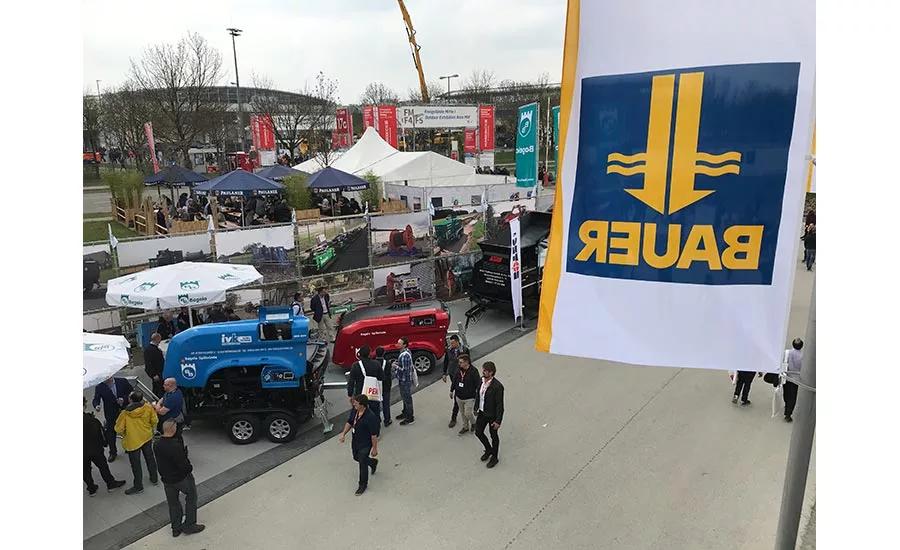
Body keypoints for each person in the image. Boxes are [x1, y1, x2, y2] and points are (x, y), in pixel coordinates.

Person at [154, 420, 205, 537]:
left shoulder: (156, 444)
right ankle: (190, 524)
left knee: (173, 503)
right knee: (191, 497)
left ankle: (176, 528)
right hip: (181, 478)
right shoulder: (175, 446)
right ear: (173, 429)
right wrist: (189, 467)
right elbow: (183, 465)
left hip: (167, 479)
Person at [116, 391, 159, 495]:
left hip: (133, 441)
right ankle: (154, 478)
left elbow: (119, 429)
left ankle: (138, 486)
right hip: (146, 437)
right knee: (150, 458)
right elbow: (155, 420)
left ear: (131, 400)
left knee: (136, 464)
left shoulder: (125, 413)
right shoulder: (148, 407)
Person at [338, 394, 380, 496]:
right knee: (356, 457)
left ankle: (362, 485)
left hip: (365, 443)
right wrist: (343, 433)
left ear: (363, 405)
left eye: (356, 403)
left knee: (362, 462)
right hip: (356, 440)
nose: (354, 404)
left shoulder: (370, 417)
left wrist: (374, 448)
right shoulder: (355, 410)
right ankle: (372, 462)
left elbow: (373, 435)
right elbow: (350, 422)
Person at [84, 398, 126, 496]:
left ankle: (91, 488)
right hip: (95, 449)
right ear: (84, 405)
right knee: (103, 466)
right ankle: (110, 484)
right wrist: (104, 443)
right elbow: (100, 434)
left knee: (85, 470)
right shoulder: (91, 420)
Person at [92, 376, 134, 462]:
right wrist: (97, 405)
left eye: (108, 378)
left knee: (127, 430)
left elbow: (131, 393)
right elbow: (96, 399)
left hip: (125, 410)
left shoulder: (122, 381)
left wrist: (124, 399)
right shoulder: (100, 387)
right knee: (110, 433)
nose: (106, 380)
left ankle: (128, 447)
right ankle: (113, 452)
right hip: (111, 413)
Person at [475, 361, 504, 468]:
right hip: (482, 412)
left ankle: (495, 457)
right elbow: (478, 395)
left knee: (494, 436)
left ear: (491, 373)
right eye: (483, 370)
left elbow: (500, 404)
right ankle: (488, 449)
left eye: (486, 371)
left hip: (492, 415)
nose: (483, 372)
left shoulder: (497, 386)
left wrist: (498, 421)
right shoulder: (481, 381)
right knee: (478, 432)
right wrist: (476, 407)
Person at [347, 345, 383, 421]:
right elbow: (382, 377)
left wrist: (350, 394)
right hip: (372, 391)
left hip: (360, 393)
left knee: (360, 412)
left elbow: (351, 381)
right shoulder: (376, 364)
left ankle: (363, 428)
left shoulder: (355, 365)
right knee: (375, 411)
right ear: (369, 354)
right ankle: (375, 428)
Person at [442, 334, 469, 428]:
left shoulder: (464, 350)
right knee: (457, 396)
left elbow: (468, 363)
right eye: (450, 343)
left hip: (463, 376)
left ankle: (470, 409)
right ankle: (454, 417)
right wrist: (444, 373)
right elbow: (446, 361)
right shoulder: (449, 350)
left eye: (453, 343)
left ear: (458, 342)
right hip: (453, 375)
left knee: (462, 396)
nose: (451, 345)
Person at [452, 354, 480, 435]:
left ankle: (474, 423)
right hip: (459, 396)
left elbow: (478, 384)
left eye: (461, 362)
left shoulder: (474, 371)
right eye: (459, 362)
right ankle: (465, 427)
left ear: (467, 362)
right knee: (462, 413)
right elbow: (455, 380)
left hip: (469, 397)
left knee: (468, 413)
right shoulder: (458, 370)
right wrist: (451, 390)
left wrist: (478, 396)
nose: (459, 364)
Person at [392, 337, 415, 425]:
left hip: (405, 380)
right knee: (405, 397)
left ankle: (410, 417)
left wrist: (395, 366)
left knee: (407, 398)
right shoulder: (406, 352)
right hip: (405, 379)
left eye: (399, 343)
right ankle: (405, 412)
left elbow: (404, 370)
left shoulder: (404, 355)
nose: (397, 345)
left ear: (404, 345)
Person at [783, 338, 804, 423]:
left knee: (786, 393)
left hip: (786, 376)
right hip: (796, 379)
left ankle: (786, 405)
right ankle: (788, 413)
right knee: (793, 396)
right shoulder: (803, 356)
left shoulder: (787, 353)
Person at [375, 347, 392, 426]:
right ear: (383, 353)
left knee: (376, 405)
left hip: (376, 386)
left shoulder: (373, 363)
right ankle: (387, 420)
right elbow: (389, 375)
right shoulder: (388, 363)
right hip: (386, 386)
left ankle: (377, 419)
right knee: (386, 404)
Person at [144, 333, 165, 398]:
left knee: (160, 388)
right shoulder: (149, 350)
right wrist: (153, 374)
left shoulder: (155, 349)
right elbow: (148, 364)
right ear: (157, 339)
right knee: (158, 389)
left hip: (160, 372)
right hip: (157, 373)